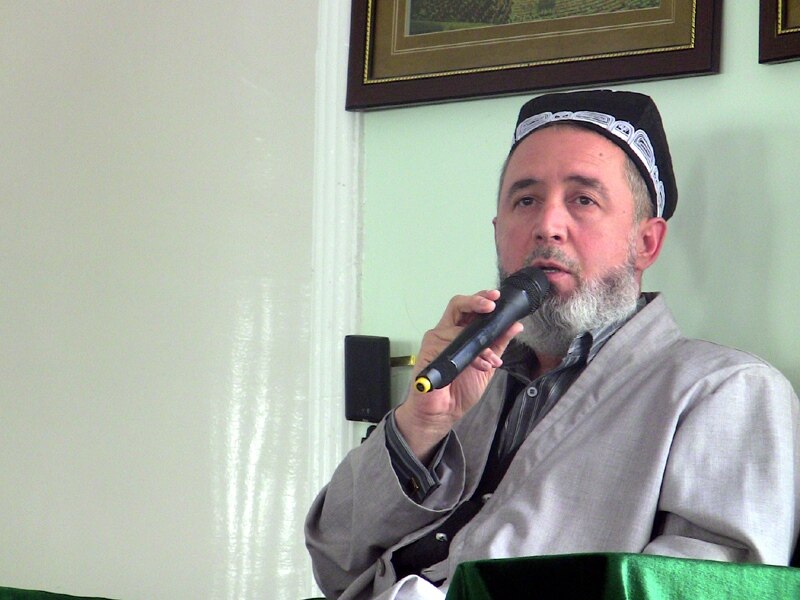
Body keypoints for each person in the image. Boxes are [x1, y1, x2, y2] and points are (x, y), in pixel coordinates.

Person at [304, 89, 800, 600]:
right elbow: (333, 562)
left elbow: (713, 591)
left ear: (646, 242)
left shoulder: (725, 390)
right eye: (526, 201)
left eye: (583, 199)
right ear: (498, 232)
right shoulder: (462, 374)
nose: (547, 226)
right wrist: (420, 426)